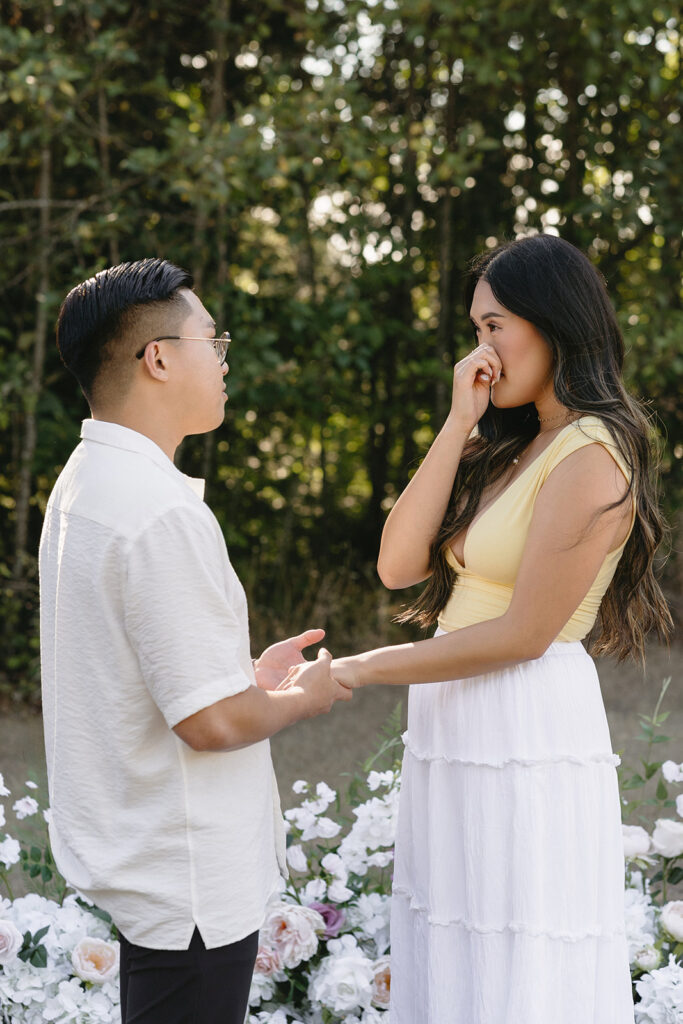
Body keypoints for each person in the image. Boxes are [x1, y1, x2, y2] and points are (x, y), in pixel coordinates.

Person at [318, 235, 672, 1023]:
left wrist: (359, 669)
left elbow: (522, 634)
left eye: (494, 327)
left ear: (552, 324)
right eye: (475, 329)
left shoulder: (591, 452)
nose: (480, 349)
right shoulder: (510, 445)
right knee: (455, 936)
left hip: (523, 715)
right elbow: (397, 563)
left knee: (517, 943)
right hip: (455, 716)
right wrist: (457, 423)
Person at [39, 258, 351, 1024]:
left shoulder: (87, 480)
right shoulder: (156, 510)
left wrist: (244, 676)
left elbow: (136, 674)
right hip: (188, 883)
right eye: (214, 339)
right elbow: (210, 724)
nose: (223, 360)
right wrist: (299, 700)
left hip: (148, 863)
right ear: (158, 357)